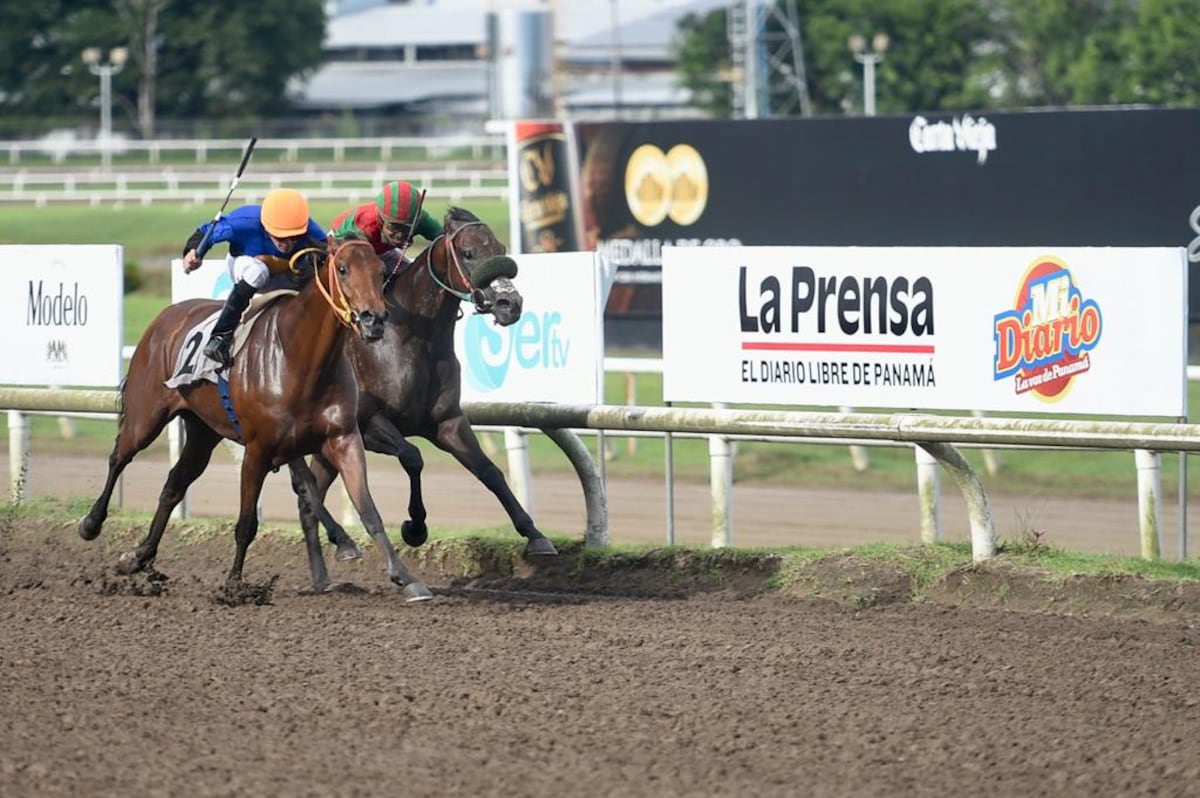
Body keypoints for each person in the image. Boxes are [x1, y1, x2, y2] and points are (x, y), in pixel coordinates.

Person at [181, 187, 327, 369]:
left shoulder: (309, 229)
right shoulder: (243, 222)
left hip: (287, 274)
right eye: (280, 237)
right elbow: (206, 232)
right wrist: (194, 252)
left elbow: (327, 250)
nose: (287, 243)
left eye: (294, 237)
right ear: (265, 228)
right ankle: (220, 337)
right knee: (258, 271)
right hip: (245, 264)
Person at [328, 179, 442, 275]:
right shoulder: (366, 226)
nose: (400, 234)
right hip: (345, 243)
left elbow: (445, 237)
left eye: (405, 228)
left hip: (380, 249)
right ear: (381, 220)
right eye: (394, 227)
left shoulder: (421, 218)